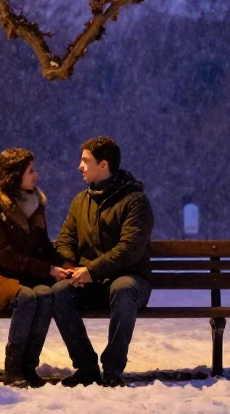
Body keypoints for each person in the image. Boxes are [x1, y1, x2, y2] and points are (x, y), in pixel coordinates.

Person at [50, 136, 154, 388]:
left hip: (129, 279)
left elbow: (129, 249)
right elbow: (65, 239)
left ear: (104, 165)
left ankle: (113, 369)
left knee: (123, 289)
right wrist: (68, 265)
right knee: (59, 292)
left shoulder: (134, 201)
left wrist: (92, 270)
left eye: (85, 161)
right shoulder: (81, 201)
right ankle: (85, 367)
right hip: (90, 281)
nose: (80, 166)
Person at [0, 148, 70, 388]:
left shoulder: (34, 204)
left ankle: (29, 366)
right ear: (15, 175)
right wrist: (47, 270)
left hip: (24, 273)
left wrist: (66, 265)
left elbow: (43, 246)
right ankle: (13, 368)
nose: (36, 176)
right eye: (31, 171)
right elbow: (5, 256)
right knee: (27, 297)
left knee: (45, 295)